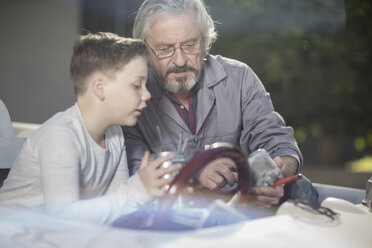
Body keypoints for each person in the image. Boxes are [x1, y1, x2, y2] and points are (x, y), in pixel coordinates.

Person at [123, 0, 304, 206]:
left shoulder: (240, 79)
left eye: (190, 44)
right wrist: (194, 175)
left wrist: (275, 176)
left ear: (204, 40)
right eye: (165, 49)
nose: (180, 61)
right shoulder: (131, 97)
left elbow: (281, 145)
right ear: (144, 51)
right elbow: (133, 173)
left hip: (240, 218)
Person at [0, 32, 181, 224]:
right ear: (100, 88)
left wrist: (148, 195)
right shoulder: (60, 136)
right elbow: (64, 218)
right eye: (137, 85)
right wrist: (138, 189)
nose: (147, 95)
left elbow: (116, 208)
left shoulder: (115, 134)